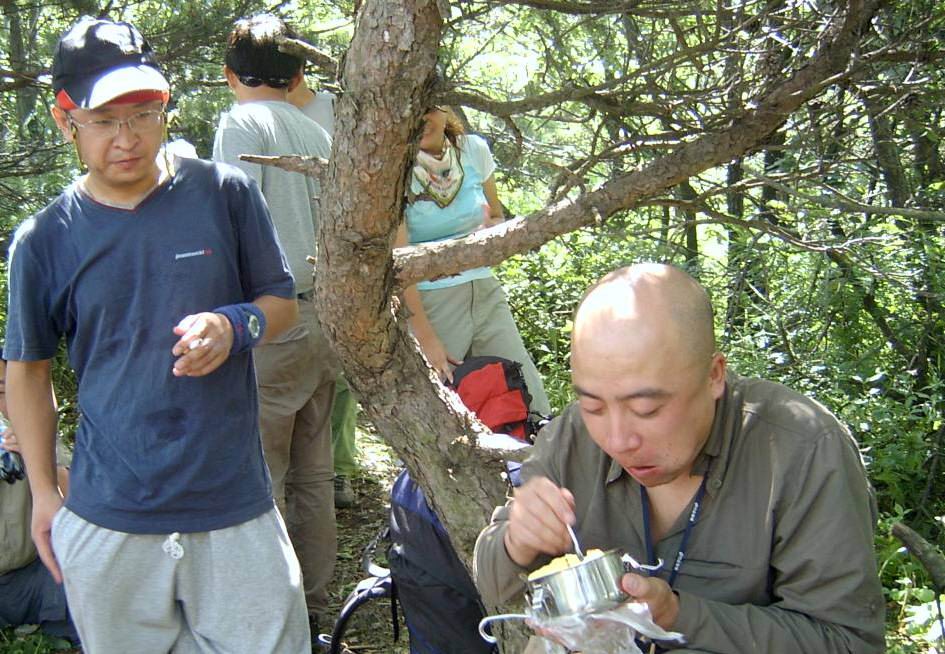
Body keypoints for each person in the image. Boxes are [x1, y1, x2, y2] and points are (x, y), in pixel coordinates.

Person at [4, 16, 308, 652]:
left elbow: (282, 305)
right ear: (65, 121)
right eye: (104, 120)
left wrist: (235, 324)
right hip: (109, 517)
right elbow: (27, 372)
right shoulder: (45, 239)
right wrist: (44, 494)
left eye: (143, 114)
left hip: (235, 506)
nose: (128, 138)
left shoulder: (224, 193)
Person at [473, 263, 886, 653]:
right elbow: (494, 583)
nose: (617, 440)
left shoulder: (802, 451)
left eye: (647, 409)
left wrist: (678, 615)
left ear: (714, 375)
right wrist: (516, 543)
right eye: (594, 406)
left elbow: (846, 642)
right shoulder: (571, 437)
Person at [212, 13, 339, 634]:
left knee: (264, 474)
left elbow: (227, 230)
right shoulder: (317, 132)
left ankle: (276, 619)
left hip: (272, 321)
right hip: (325, 318)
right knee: (314, 469)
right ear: (296, 74)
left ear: (230, 74)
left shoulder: (240, 124)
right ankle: (314, 606)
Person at [396, 106, 551, 416]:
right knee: (438, 406)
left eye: (429, 108)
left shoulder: (473, 150)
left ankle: (539, 446)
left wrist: (492, 230)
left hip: (484, 289)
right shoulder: (394, 167)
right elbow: (399, 262)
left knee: (526, 392)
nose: (422, 119)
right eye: (412, 109)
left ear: (444, 108)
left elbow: (496, 215)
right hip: (431, 302)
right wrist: (425, 337)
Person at [288, 75, 360, 510]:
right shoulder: (255, 114)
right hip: (289, 274)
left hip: (339, 261)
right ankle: (306, 476)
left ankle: (340, 471)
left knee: (341, 380)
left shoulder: (334, 109)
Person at [0, 358, 78, 645]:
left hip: (32, 574)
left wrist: (41, 456)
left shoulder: (32, 435)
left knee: (88, 585)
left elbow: (77, 506)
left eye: (2, 392)